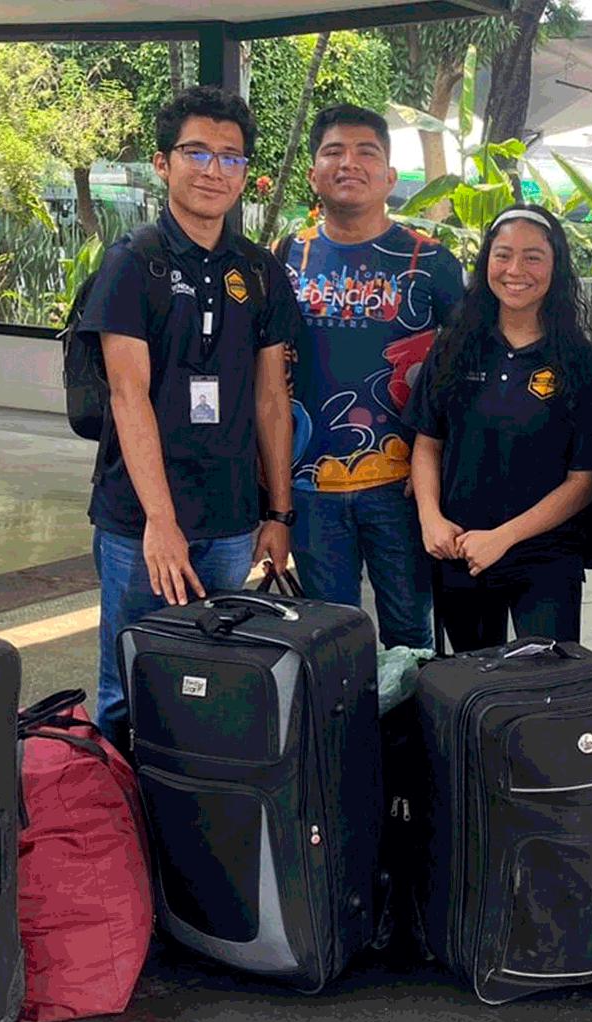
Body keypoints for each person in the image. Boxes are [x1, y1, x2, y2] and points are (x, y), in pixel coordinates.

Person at [75, 86, 302, 739]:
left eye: (230, 158)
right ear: (162, 163)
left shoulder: (259, 272)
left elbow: (270, 399)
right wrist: (161, 524)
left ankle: (191, 824)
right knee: (126, 684)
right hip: (138, 524)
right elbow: (128, 396)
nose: (213, 170)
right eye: (196, 152)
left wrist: (278, 514)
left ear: (245, 175)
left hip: (230, 522)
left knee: (209, 677)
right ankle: (122, 832)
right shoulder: (133, 263)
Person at [281, 104, 464, 649]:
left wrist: (440, 472)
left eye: (367, 152)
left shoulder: (431, 262)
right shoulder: (287, 255)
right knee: (330, 639)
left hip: (403, 487)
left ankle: (409, 736)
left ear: (389, 176)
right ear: (313, 173)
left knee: (411, 635)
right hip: (309, 484)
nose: (349, 163)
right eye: (333, 151)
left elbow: (461, 377)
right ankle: (345, 738)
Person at [404, 205, 592, 651]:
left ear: (556, 267)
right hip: (460, 549)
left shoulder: (583, 362)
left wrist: (504, 538)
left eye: (533, 257)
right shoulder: (455, 347)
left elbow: (586, 479)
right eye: (503, 255)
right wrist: (431, 519)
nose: (516, 270)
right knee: (472, 688)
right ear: (487, 264)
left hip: (546, 557)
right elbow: (427, 444)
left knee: (544, 692)